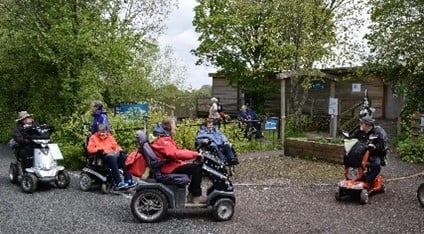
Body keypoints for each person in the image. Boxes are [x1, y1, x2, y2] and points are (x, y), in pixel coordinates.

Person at [150, 117, 206, 204]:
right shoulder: (164, 141)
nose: (175, 127)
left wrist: (192, 154)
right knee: (196, 169)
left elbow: (177, 152)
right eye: (174, 125)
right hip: (168, 168)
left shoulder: (166, 139)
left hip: (171, 165)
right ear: (168, 127)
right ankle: (195, 196)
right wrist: (194, 154)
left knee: (194, 166)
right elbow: (174, 154)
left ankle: (192, 195)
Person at [86, 124, 136, 190]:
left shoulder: (109, 137)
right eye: (100, 132)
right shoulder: (93, 138)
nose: (102, 134)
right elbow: (90, 149)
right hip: (102, 156)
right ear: (98, 131)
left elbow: (116, 146)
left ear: (106, 131)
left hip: (112, 154)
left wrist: (120, 150)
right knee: (112, 158)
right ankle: (119, 182)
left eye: (103, 132)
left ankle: (128, 179)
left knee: (124, 157)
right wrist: (98, 149)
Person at [349, 115, 388, 186]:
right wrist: (355, 133)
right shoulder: (360, 130)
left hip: (373, 154)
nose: (360, 124)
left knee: (376, 165)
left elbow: (381, 145)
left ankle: (368, 181)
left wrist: (374, 147)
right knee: (351, 161)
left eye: (362, 123)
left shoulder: (377, 132)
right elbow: (350, 137)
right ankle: (352, 178)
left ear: (367, 125)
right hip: (360, 152)